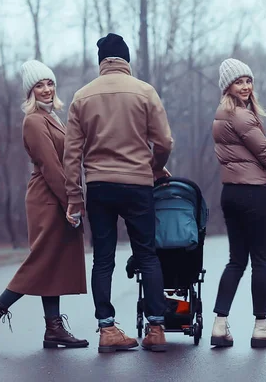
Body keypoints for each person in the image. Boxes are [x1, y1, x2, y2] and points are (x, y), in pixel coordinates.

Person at [63, 33, 173, 353]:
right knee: (147, 254)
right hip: (138, 184)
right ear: (126, 61)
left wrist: (74, 196)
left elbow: (71, 154)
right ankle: (155, 328)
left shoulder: (82, 96)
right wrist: (155, 166)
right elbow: (165, 142)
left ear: (101, 63)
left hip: (99, 187)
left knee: (103, 259)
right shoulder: (144, 91)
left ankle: (107, 329)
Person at [0, 60, 88, 350]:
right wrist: (72, 203)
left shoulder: (53, 117)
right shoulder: (34, 120)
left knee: (52, 262)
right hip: (47, 198)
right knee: (42, 260)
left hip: (54, 195)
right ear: (30, 92)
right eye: (40, 85)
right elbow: (51, 167)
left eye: (50, 83)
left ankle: (53, 329)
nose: (47, 89)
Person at [210, 58, 266, 348]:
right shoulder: (241, 115)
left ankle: (219, 325)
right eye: (239, 81)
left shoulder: (222, 115)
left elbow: (249, 151)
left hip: (230, 194)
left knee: (236, 260)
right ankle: (261, 326)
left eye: (248, 80)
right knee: (261, 260)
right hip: (253, 195)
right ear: (228, 86)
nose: (246, 86)